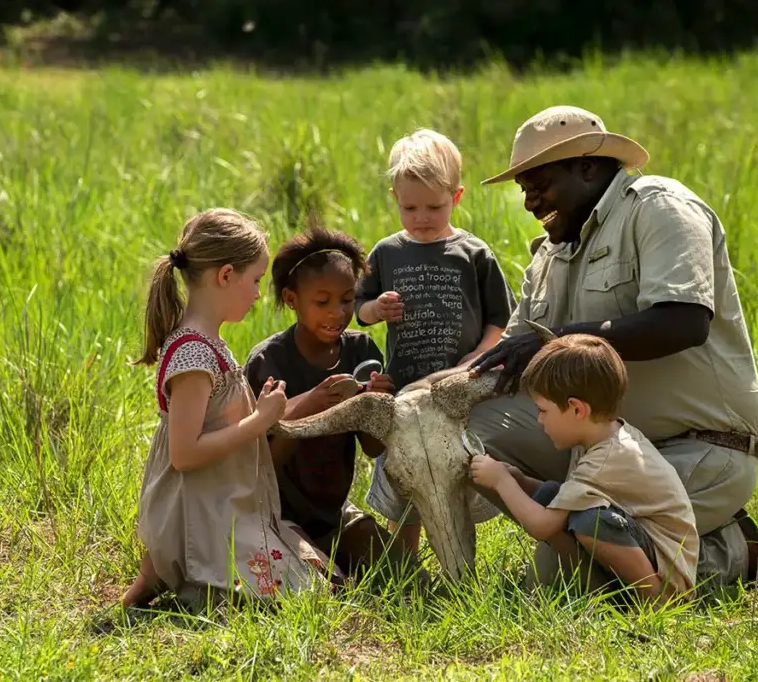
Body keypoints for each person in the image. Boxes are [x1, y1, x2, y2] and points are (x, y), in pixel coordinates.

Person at [466, 105, 758, 590]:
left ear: (586, 167)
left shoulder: (659, 207)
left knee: (561, 580)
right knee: (466, 427)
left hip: (696, 449)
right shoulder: (549, 254)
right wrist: (418, 394)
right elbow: (506, 360)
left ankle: (736, 552)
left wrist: (562, 340)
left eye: (538, 185)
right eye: (524, 190)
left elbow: (684, 321)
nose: (529, 202)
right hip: (599, 445)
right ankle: (595, 532)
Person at [121, 208, 336, 612]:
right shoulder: (193, 356)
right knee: (302, 596)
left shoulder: (207, 342)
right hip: (204, 515)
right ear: (224, 276)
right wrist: (259, 421)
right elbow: (184, 456)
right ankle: (178, 578)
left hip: (223, 503)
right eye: (254, 281)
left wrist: (265, 408)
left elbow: (217, 419)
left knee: (320, 575)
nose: (258, 293)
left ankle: (166, 580)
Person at [354, 128, 516, 551]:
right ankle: (405, 564)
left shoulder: (474, 254)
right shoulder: (387, 253)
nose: (421, 218)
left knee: (457, 473)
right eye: (409, 207)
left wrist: (476, 361)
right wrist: (376, 310)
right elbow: (359, 306)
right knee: (404, 475)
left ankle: (459, 556)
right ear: (394, 198)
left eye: (434, 207)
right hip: (405, 393)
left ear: (457, 198)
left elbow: (500, 319)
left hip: (458, 391)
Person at [470, 334, 699, 605]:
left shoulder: (606, 459)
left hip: (669, 573)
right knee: (553, 495)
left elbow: (542, 526)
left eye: (543, 410)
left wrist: (501, 482)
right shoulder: (600, 436)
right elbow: (559, 501)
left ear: (577, 409)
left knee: (590, 522)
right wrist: (518, 479)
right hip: (646, 546)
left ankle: (655, 601)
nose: (539, 419)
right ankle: (605, 596)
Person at [245, 226, 417, 579]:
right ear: (292, 300)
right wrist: (313, 408)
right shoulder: (269, 363)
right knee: (322, 588)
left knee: (406, 578)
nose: (337, 313)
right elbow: (259, 464)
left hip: (334, 515)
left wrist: (374, 406)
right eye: (322, 302)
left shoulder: (361, 351)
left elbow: (372, 448)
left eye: (347, 299)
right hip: (274, 516)